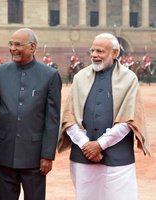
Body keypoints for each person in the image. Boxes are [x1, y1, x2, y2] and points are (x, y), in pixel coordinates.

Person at [58, 33, 151, 200]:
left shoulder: (129, 79)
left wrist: (100, 145)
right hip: (83, 157)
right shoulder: (80, 78)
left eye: (100, 51)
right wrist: (86, 145)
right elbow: (69, 118)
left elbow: (128, 119)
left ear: (114, 53)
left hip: (118, 160)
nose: (94, 55)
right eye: (92, 51)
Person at [0, 28, 62, 200]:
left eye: (18, 44)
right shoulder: (0, 72)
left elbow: (52, 119)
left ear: (32, 47)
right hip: (5, 153)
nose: (12, 48)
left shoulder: (50, 75)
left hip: (35, 157)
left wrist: (47, 155)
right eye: (11, 44)